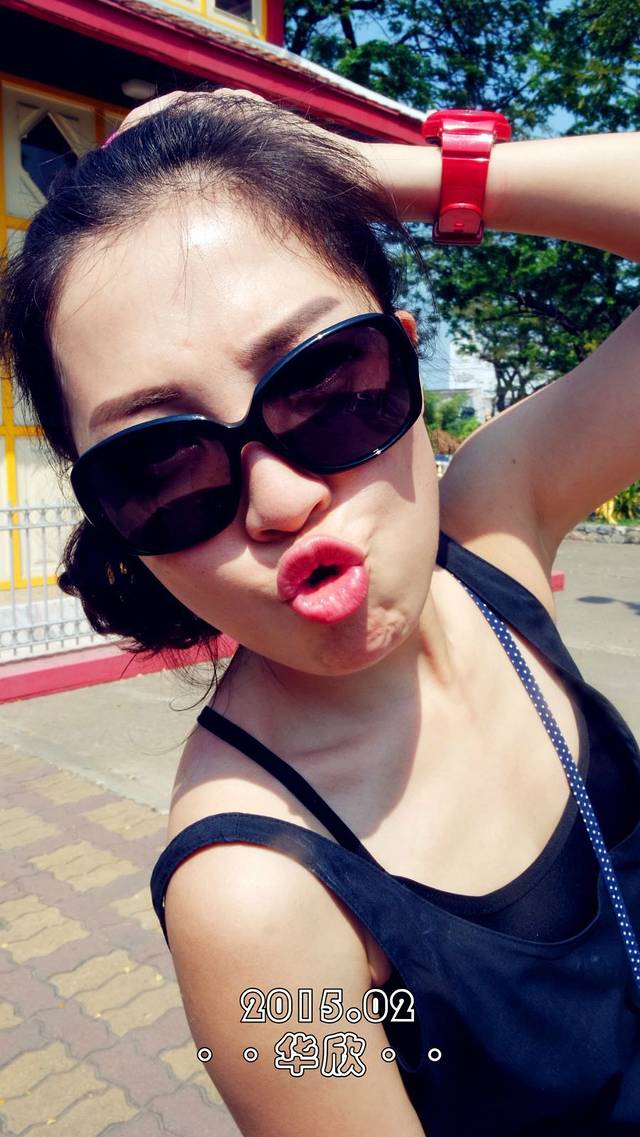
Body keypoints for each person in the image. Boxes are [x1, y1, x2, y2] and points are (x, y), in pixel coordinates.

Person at [3, 89, 640, 1136]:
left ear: (402, 352)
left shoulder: (494, 529)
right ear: (112, 519)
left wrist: (370, 173)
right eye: (161, 463)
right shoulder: (252, 899)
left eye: (325, 381)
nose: (281, 499)